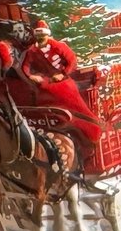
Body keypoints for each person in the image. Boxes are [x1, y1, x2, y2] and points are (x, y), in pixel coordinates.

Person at [17, 19, 103, 160]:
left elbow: (71, 60)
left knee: (71, 99)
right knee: (40, 100)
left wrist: (63, 74)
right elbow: (24, 67)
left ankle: (90, 130)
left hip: (63, 83)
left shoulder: (58, 46)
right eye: (38, 36)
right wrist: (32, 76)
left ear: (47, 35)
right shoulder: (32, 51)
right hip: (45, 85)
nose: (41, 38)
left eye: (43, 35)